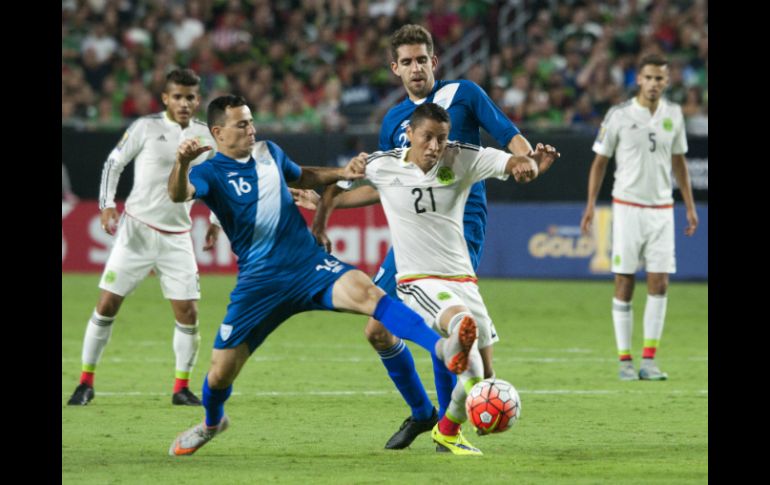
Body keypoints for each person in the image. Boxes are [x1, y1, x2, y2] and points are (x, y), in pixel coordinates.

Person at [167, 95, 479, 456]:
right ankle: (211, 422)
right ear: (218, 132)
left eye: (251, 122)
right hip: (259, 283)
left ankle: (442, 347)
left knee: (371, 296)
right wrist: (182, 163)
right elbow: (179, 194)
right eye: (242, 124)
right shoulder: (208, 172)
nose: (251, 130)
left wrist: (343, 174)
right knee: (220, 373)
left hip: (307, 265)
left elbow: (303, 175)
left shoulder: (269, 152)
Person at [311, 24, 557, 450]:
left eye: (421, 59)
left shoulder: (463, 94)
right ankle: (427, 413)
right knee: (378, 330)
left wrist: (527, 162)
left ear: (433, 61)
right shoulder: (393, 122)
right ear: (395, 68)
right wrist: (322, 208)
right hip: (414, 234)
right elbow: (387, 182)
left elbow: (507, 134)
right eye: (406, 61)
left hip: (461, 224)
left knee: (453, 327)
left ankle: (452, 425)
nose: (415, 68)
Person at [67, 68, 221, 407]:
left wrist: (214, 222)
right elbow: (114, 163)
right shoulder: (145, 127)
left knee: (189, 313)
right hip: (135, 232)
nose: (184, 103)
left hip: (177, 237)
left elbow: (217, 182)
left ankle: (181, 388)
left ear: (198, 100)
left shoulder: (206, 137)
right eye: (177, 96)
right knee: (107, 304)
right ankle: (85, 382)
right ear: (165, 98)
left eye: (190, 97)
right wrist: (107, 205)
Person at [580, 54, 698, 381]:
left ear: (667, 81)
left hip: (662, 210)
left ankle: (649, 360)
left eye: (660, 78)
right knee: (625, 281)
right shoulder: (618, 115)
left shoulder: (673, 114)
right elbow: (600, 163)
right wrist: (591, 204)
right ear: (639, 80)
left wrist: (688, 206)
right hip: (627, 208)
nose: (654, 83)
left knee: (660, 282)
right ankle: (624, 361)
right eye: (649, 77)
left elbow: (679, 163)